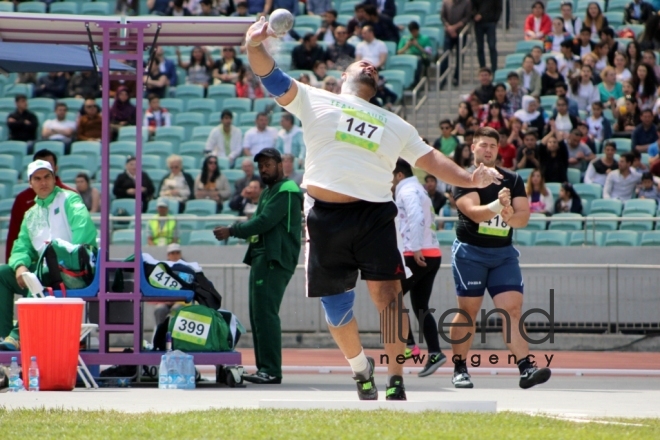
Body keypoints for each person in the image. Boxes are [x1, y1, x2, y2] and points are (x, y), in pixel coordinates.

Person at [241, 16, 502, 401]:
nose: (369, 66)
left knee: (389, 298)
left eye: (374, 69)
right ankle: (361, 369)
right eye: (362, 64)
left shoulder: (395, 123)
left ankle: (396, 377)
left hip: (375, 215)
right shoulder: (316, 98)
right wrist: (252, 46)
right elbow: (273, 77)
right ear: (345, 75)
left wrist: (470, 179)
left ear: (375, 86)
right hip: (325, 217)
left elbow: (431, 160)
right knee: (336, 308)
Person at [449, 126, 550, 389]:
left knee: (513, 309)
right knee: (468, 311)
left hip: (503, 254)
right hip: (470, 253)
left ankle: (526, 367)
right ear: (473, 148)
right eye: (483, 145)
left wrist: (509, 217)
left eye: (493, 146)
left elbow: (523, 217)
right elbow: (473, 213)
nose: (488, 150)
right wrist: (497, 205)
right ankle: (460, 367)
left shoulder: (512, 179)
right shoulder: (464, 178)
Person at [213, 149, 303, 384]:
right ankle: (265, 368)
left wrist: (232, 230)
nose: (263, 169)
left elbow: (264, 222)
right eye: (261, 165)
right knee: (258, 315)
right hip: (262, 257)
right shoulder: (268, 192)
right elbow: (260, 223)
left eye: (268, 164)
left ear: (280, 164)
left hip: (276, 258)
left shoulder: (287, 190)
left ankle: (272, 370)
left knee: (266, 314)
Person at [0, 160, 97, 350]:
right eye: (37, 178)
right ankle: (4, 339)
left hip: (74, 271)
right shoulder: (30, 214)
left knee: (41, 267)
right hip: (44, 274)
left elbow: (84, 232)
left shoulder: (70, 199)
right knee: (3, 273)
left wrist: (63, 259)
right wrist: (19, 265)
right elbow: (21, 247)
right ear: (30, 183)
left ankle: (17, 336)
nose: (43, 182)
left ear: (54, 179)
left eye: (47, 177)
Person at [392, 159, 447, 376]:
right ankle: (434, 352)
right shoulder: (419, 189)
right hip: (432, 253)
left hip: (417, 254)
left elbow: (415, 216)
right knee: (420, 305)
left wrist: (415, 248)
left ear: (398, 175)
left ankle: (409, 345)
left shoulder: (407, 189)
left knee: (391, 299)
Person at [4, 150, 75, 263]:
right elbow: (14, 235)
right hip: (30, 262)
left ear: (55, 169)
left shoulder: (70, 196)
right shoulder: (22, 199)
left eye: (47, 167)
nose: (43, 170)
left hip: (65, 262)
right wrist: (13, 263)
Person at [441, 0, 472, 86]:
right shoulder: (446, 2)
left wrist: (454, 27)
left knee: (459, 56)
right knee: (445, 56)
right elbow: (443, 17)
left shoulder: (466, 2)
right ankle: (442, 79)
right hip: (448, 33)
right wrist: (449, 27)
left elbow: (467, 17)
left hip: (461, 33)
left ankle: (456, 78)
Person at [472, 0, 500, 72]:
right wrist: (475, 15)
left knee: (492, 46)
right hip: (478, 24)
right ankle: (482, 68)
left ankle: (494, 69)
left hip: (490, 22)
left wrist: (495, 20)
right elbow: (471, 6)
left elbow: (498, 7)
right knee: (480, 47)